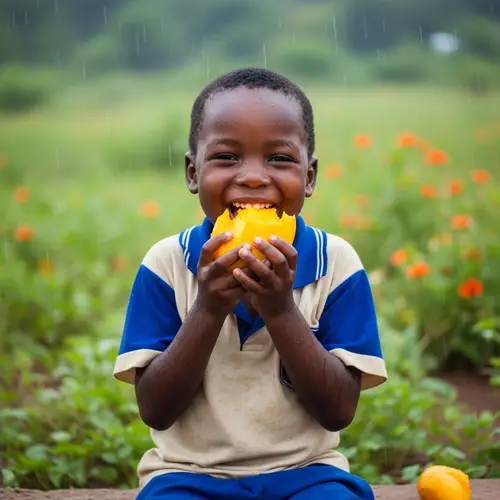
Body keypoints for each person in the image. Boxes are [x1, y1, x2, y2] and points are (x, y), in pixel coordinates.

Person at [113, 67, 388, 500]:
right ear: (192, 172)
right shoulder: (166, 265)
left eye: (279, 158)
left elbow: (338, 411)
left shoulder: (337, 263)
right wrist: (206, 308)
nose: (255, 176)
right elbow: (156, 409)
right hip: (189, 475)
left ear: (310, 176)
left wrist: (280, 310)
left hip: (307, 473)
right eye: (227, 157)